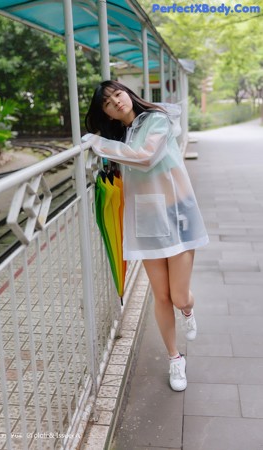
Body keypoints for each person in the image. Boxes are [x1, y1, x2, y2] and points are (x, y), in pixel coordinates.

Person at [84, 80, 209, 391]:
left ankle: (189, 309)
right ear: (108, 115)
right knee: (162, 296)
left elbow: (146, 156)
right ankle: (175, 358)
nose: (116, 102)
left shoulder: (157, 119)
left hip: (178, 215)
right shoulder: (120, 136)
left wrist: (95, 142)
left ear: (127, 92)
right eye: (108, 104)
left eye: (117, 94)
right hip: (148, 222)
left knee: (179, 296)